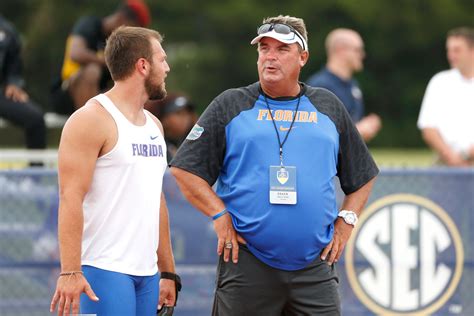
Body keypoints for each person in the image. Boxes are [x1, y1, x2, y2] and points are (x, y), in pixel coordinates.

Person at [170, 15, 378, 315]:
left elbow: (363, 175)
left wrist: (346, 222)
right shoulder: (231, 104)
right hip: (247, 263)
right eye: (264, 48)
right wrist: (218, 214)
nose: (270, 56)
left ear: (303, 57)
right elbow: (184, 168)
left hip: (314, 268)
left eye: (282, 49)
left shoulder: (328, 105)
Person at [50, 26, 180, 315]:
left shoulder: (153, 126)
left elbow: (154, 200)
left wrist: (167, 271)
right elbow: (70, 196)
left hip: (146, 274)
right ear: (142, 65)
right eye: (162, 59)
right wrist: (70, 271)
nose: (168, 67)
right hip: (103, 268)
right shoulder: (91, 119)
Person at [50, 0, 151, 115]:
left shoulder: (120, 44)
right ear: (121, 19)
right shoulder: (90, 24)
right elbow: (76, 53)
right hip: (66, 92)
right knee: (93, 70)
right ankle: (89, 121)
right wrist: (108, 61)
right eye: (131, 31)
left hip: (98, 94)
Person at [306, 28, 381, 142]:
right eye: (357, 50)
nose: (362, 55)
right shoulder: (320, 86)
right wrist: (359, 130)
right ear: (341, 50)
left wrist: (365, 126)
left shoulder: (353, 85)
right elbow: (319, 133)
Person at [417, 27, 474, 166]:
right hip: (445, 165)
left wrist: (466, 155)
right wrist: (451, 158)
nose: (451, 55)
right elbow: (428, 127)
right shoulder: (439, 81)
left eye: (457, 50)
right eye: (449, 50)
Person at [0, 14, 46, 154]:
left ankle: (34, 174)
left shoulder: (7, 30)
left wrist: (13, 83)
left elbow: (14, 64)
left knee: (35, 119)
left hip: (1, 94)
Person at [145, 93, 198, 162]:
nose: (185, 119)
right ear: (164, 117)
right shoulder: (153, 145)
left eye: (187, 114)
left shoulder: (194, 145)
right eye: (178, 113)